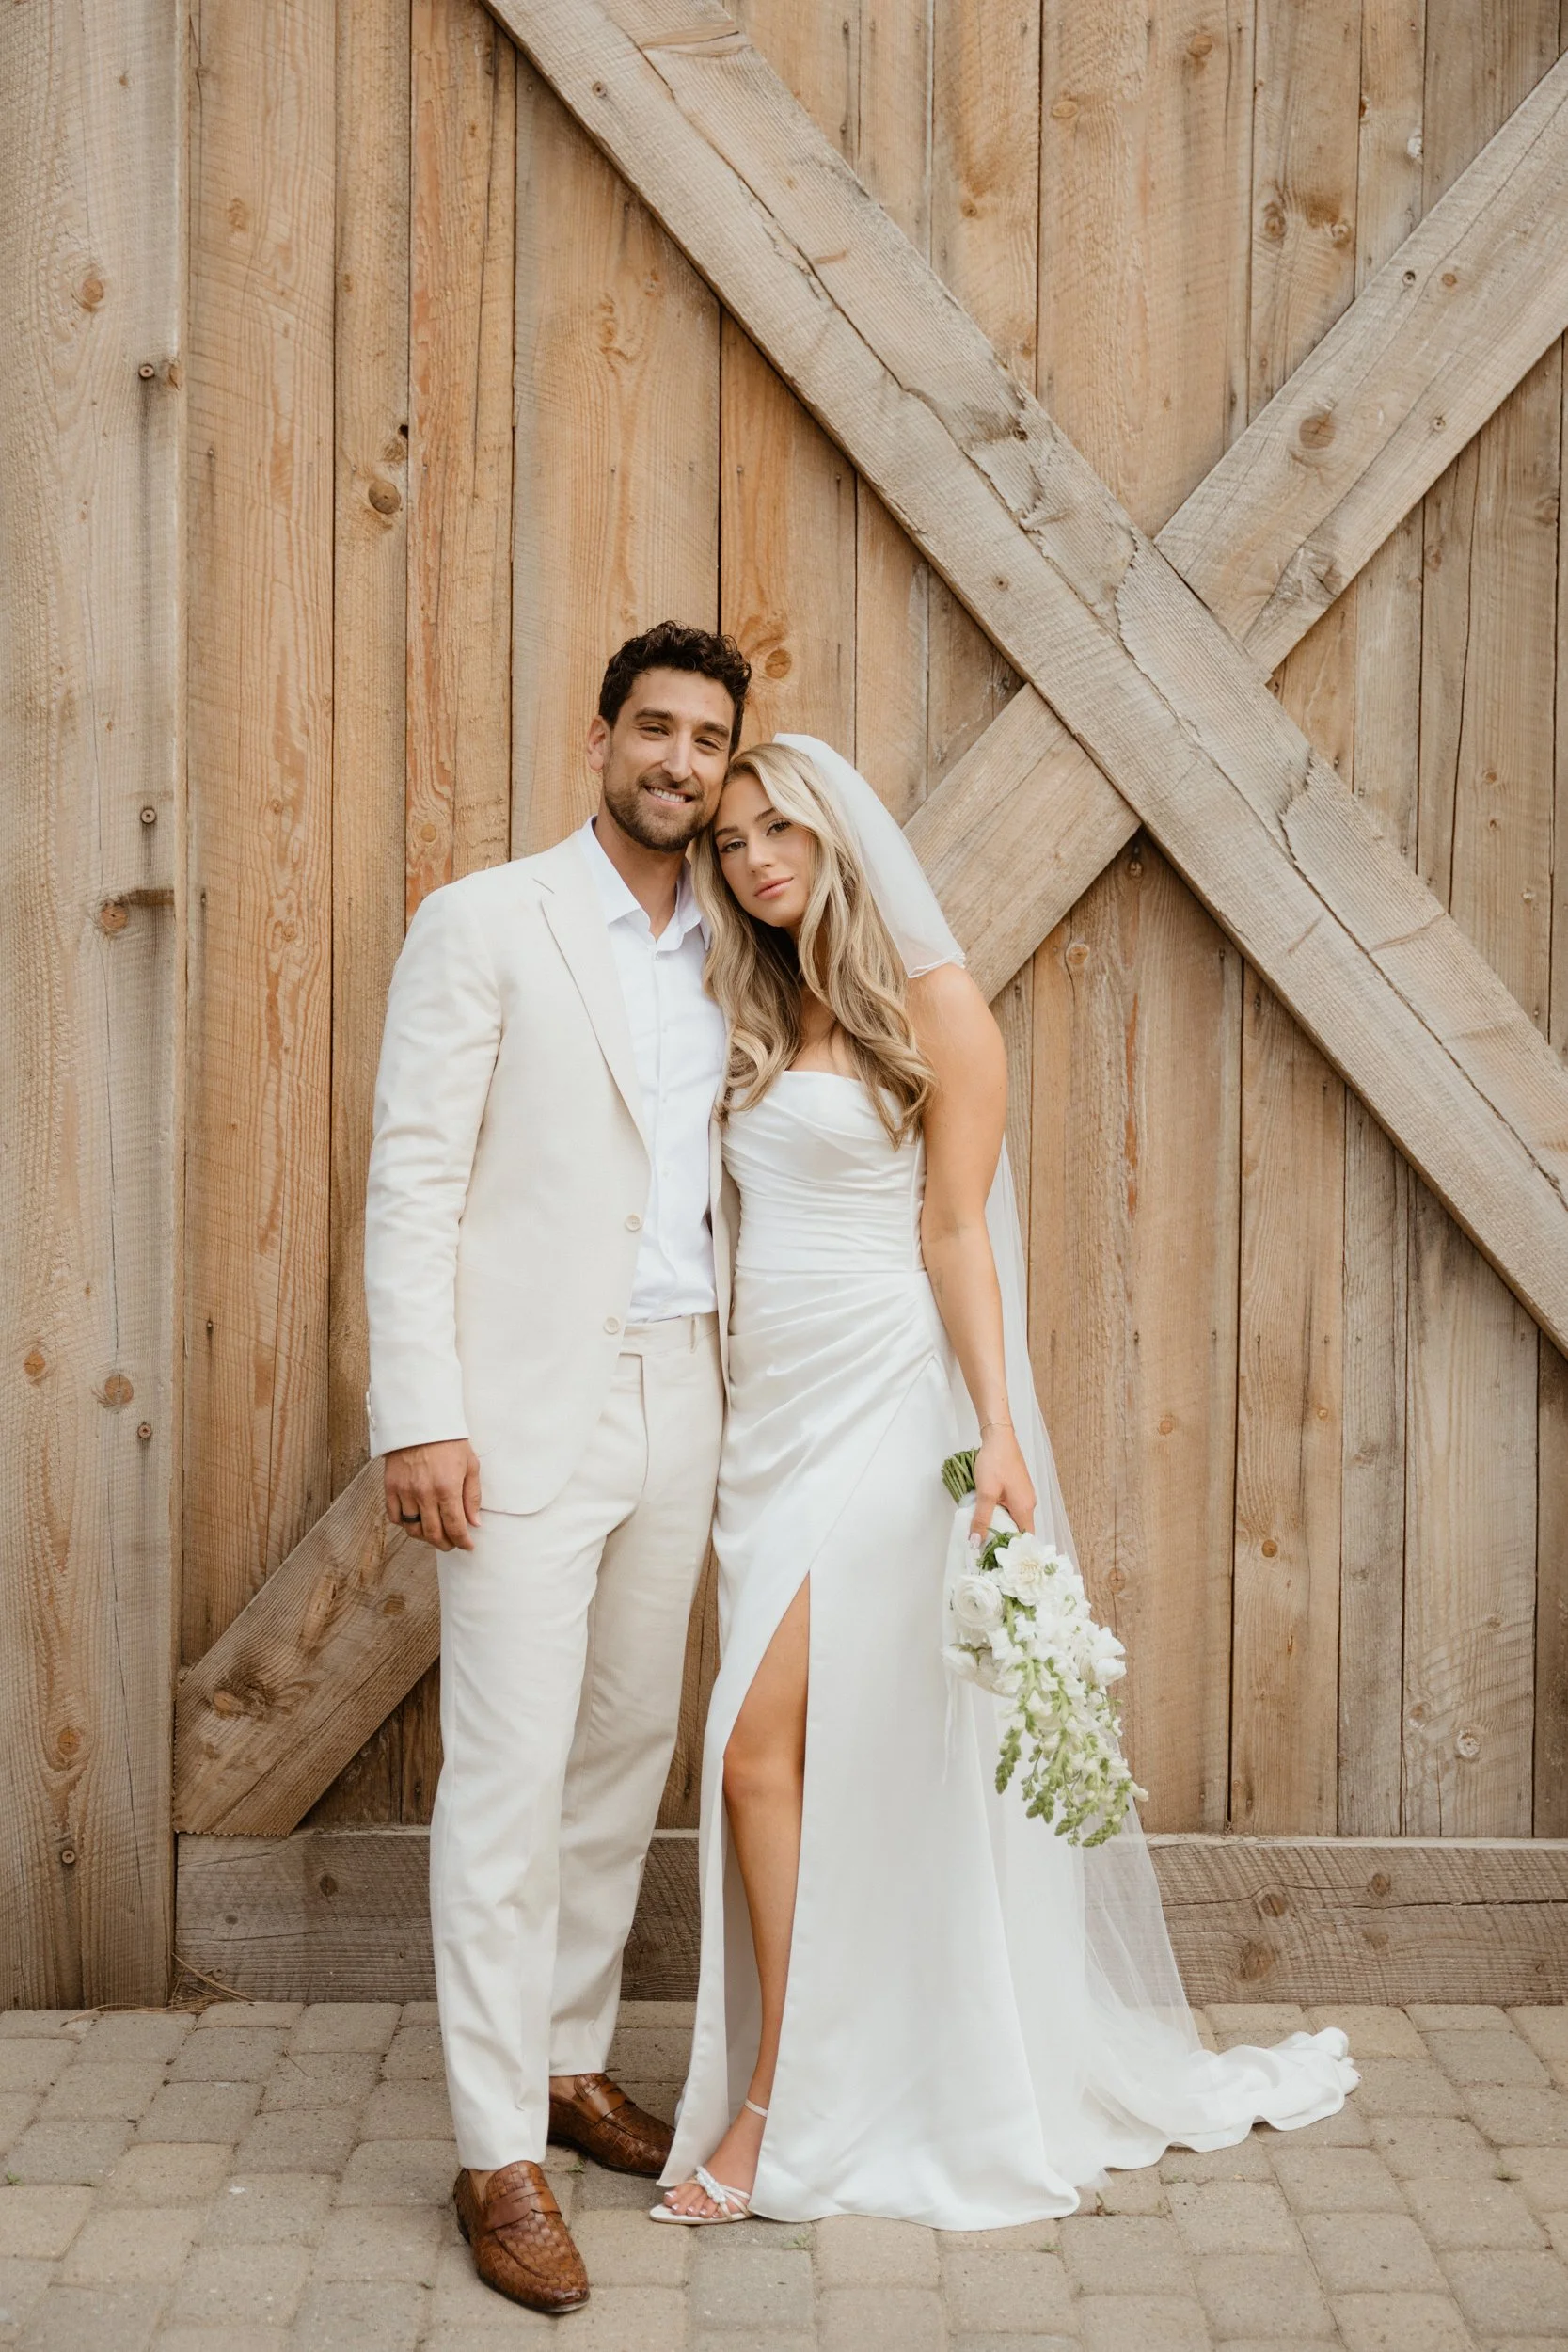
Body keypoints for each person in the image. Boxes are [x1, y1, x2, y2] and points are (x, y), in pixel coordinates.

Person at [654, 735, 1358, 2229]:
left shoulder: (938, 1014)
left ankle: (777, 2103)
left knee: (751, 1755)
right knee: (810, 1767)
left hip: (886, 1409)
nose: (757, 858)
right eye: (730, 842)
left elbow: (955, 1236)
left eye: (781, 829)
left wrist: (1001, 1433)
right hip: (764, 1425)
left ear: (843, 838)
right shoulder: (742, 1003)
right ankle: (850, 2063)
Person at [363, 622, 752, 2313]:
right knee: (507, 1782)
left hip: (687, 1391)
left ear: (729, 770)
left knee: (620, 1755)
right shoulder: (486, 922)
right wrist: (418, 1411)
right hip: (519, 1411)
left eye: (709, 742)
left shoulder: (740, 941)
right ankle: (489, 2149)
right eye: (653, 729)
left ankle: (570, 2062)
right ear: (600, 737)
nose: (678, 762)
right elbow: (413, 1182)